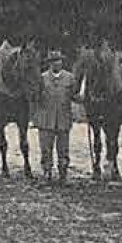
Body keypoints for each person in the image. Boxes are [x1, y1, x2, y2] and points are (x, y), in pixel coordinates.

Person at [35, 49, 77, 183]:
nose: (56, 63)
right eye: (53, 61)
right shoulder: (41, 78)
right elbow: (35, 97)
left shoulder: (70, 78)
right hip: (46, 120)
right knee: (46, 148)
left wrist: (83, 97)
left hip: (63, 120)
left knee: (63, 149)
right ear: (49, 64)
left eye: (59, 60)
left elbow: (74, 96)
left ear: (62, 62)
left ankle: (63, 173)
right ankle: (47, 171)